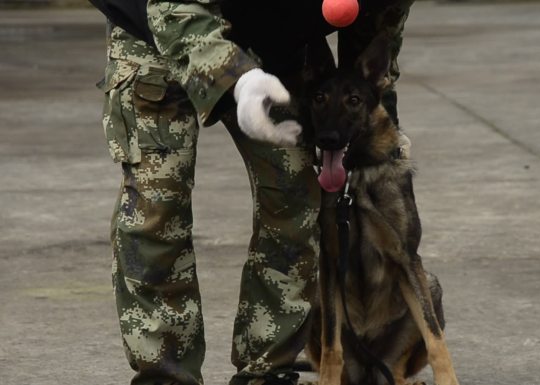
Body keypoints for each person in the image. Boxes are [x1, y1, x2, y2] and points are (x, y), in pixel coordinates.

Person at [95, 0, 414, 384]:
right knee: (156, 207)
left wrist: (382, 143)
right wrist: (238, 79)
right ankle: (165, 375)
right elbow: (173, 8)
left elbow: (372, 44)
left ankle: (268, 370)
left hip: (277, 43)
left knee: (297, 198)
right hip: (156, 29)